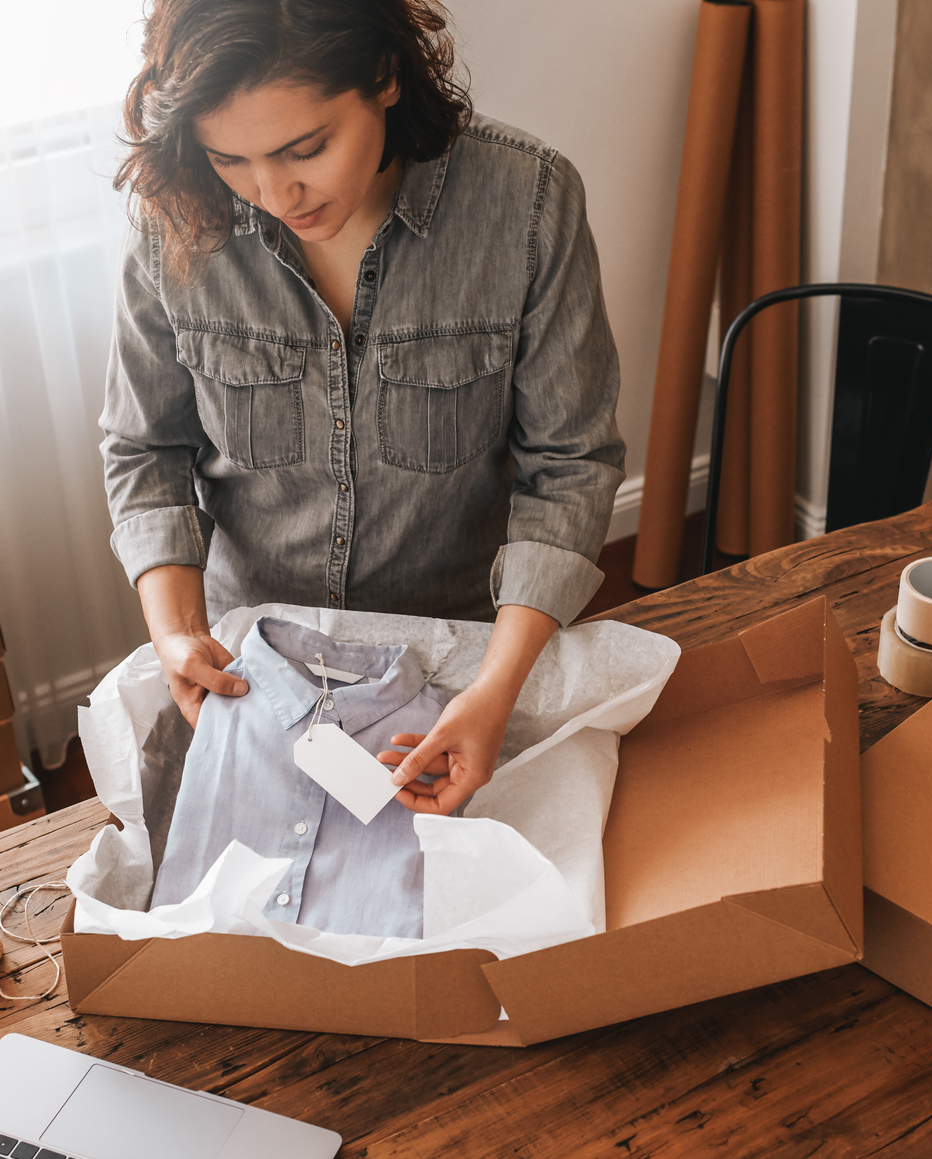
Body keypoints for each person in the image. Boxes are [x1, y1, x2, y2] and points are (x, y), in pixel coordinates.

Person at [102, 0, 621, 817]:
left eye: (303, 148)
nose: (273, 193)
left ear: (383, 77)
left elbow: (569, 466)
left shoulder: (526, 202)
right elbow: (144, 450)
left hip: (460, 662)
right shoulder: (179, 217)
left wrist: (493, 691)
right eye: (229, 159)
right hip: (258, 668)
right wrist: (174, 631)